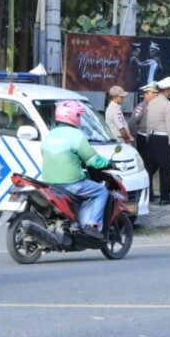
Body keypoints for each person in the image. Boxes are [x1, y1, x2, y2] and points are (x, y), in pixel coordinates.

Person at [42, 100, 111, 239]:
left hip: (50, 185)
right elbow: (93, 160)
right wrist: (108, 163)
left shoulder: (48, 135)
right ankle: (92, 225)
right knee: (102, 191)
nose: (79, 119)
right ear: (72, 116)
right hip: (72, 184)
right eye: (78, 116)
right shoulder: (76, 135)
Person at [145, 77, 170, 205]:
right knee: (165, 169)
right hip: (163, 138)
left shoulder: (151, 103)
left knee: (150, 168)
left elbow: (148, 123)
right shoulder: (168, 105)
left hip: (152, 138)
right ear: (168, 90)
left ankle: (147, 194)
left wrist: (149, 137)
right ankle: (165, 197)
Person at [129, 81, 158, 200]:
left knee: (154, 165)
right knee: (147, 166)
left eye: (150, 93)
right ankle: (148, 193)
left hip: (154, 138)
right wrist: (134, 135)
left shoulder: (157, 106)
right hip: (143, 138)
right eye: (146, 93)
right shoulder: (142, 106)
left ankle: (150, 191)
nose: (146, 95)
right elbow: (132, 122)